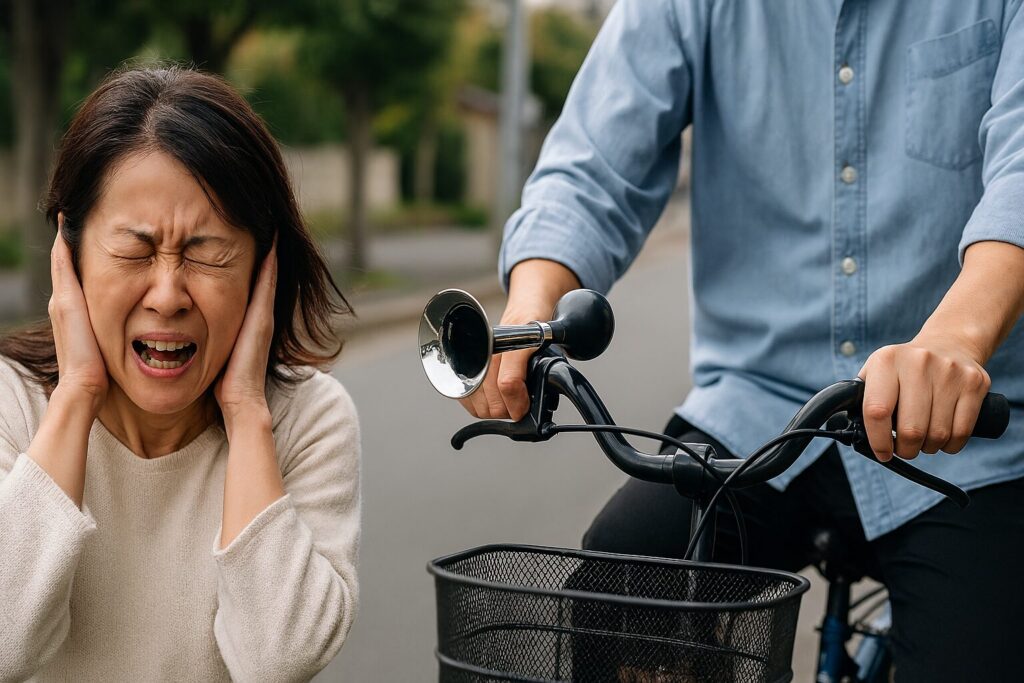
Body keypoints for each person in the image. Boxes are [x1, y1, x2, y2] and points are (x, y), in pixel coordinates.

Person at [464, 1, 1024, 680]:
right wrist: (530, 311)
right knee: (620, 585)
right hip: (757, 412)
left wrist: (957, 339)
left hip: (958, 436)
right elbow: (590, 164)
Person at [0, 67, 360, 681]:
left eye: (205, 252)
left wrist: (247, 411)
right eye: (135, 251)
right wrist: (77, 394)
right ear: (72, 254)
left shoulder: (309, 420)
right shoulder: (14, 401)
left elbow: (278, 658)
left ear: (262, 263)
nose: (167, 295)